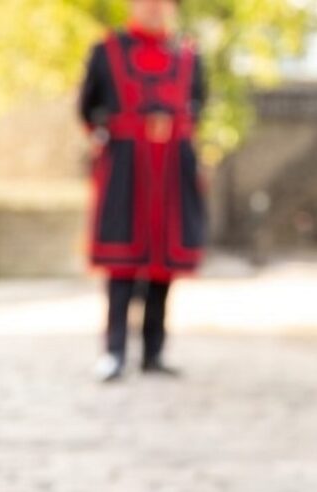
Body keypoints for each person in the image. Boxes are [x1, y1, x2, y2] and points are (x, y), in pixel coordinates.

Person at [79, 0, 207, 382]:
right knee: (121, 262)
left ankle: (154, 351)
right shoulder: (106, 51)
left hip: (170, 170)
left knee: (163, 263)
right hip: (126, 169)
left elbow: (198, 104)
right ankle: (114, 351)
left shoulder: (188, 55)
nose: (153, 7)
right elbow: (89, 108)